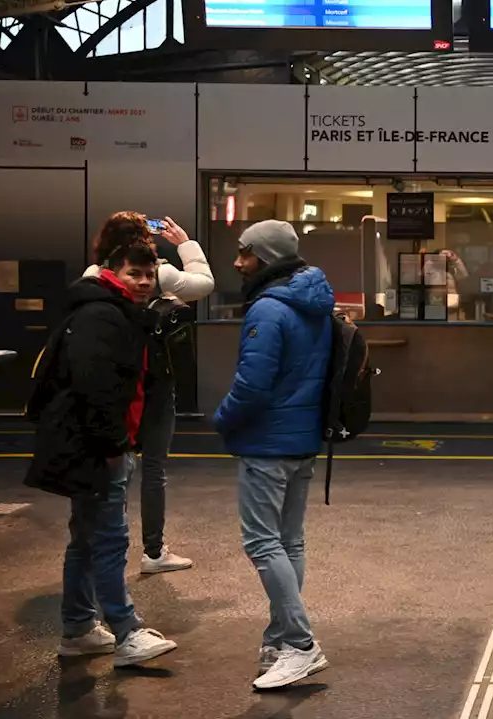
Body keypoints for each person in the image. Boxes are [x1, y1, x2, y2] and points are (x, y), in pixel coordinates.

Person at [24, 235, 178, 668]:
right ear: (113, 272)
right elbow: (98, 389)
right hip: (100, 448)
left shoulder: (115, 313)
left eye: (150, 275)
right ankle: (126, 632)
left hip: (95, 443)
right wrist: (114, 446)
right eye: (136, 274)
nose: (145, 282)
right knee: (109, 540)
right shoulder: (103, 316)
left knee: (87, 540)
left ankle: (78, 629)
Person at [215, 219, 335, 690]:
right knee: (290, 543)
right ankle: (279, 638)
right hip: (304, 438)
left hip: (268, 442)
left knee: (263, 543)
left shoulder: (268, 309)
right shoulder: (316, 303)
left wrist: (221, 419)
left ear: (264, 258)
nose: (237, 261)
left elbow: (252, 385)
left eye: (244, 253)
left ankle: (302, 645)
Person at [83, 213, 214, 574]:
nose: (142, 280)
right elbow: (204, 283)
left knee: (115, 468)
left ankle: (111, 547)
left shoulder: (93, 276)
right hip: (155, 381)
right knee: (153, 468)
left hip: (115, 384)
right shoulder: (158, 272)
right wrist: (185, 243)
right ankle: (153, 552)